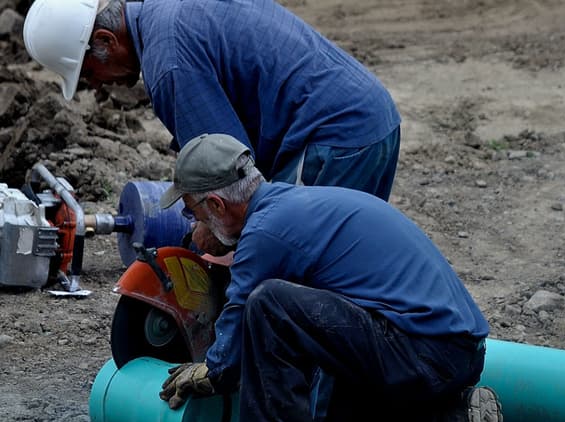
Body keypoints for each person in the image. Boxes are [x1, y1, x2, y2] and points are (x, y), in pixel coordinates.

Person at [156, 133, 502, 422]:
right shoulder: (302, 206)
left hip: (422, 354)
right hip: (449, 353)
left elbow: (238, 324)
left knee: (270, 304)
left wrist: (210, 370)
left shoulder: (265, 232)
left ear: (217, 205)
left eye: (193, 211)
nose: (194, 222)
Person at [22, 0, 401, 255]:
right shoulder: (161, 11)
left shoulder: (168, 63)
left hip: (335, 137)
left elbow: (231, 178)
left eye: (89, 73)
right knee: (343, 255)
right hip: (368, 116)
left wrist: (202, 239)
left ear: (106, 40)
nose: (97, 85)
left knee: (293, 265)